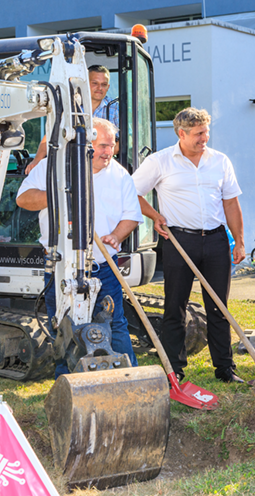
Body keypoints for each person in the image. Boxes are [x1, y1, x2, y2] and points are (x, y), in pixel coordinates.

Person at [16, 118, 141, 378]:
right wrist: (60, 195)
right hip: (59, 264)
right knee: (63, 325)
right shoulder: (54, 166)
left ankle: (129, 378)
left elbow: (131, 215)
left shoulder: (119, 174)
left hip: (103, 264)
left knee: (115, 322)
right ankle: (69, 381)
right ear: (85, 144)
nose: (109, 151)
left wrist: (116, 236)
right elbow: (23, 198)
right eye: (104, 145)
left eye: (112, 145)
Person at [133, 107, 246, 383]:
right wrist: (154, 215)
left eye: (206, 132)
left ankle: (225, 369)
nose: (204, 138)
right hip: (178, 240)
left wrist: (239, 241)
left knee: (218, 307)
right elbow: (131, 192)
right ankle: (175, 369)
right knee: (175, 307)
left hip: (217, 240)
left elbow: (231, 202)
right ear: (181, 134)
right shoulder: (160, 162)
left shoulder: (220, 161)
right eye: (198, 134)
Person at [26, 65, 120, 174]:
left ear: (108, 87)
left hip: (103, 167)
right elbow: (52, 133)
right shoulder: (71, 106)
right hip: (73, 165)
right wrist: (37, 160)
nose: (99, 88)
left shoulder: (115, 108)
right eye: (95, 83)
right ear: (85, 85)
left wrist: (102, 156)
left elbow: (124, 141)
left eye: (103, 85)